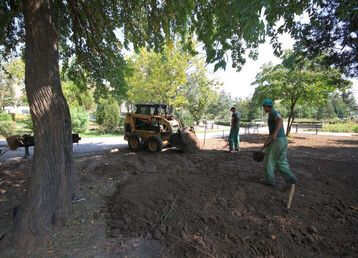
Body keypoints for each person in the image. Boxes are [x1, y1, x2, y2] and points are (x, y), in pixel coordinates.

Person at [262, 98, 297, 187]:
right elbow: (271, 133)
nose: (263, 108)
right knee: (281, 162)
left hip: (277, 140)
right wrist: (265, 144)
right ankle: (291, 179)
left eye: (264, 106)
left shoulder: (273, 112)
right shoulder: (271, 114)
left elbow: (280, 120)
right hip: (282, 140)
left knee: (269, 160)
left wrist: (275, 134)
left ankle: (269, 180)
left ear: (267, 106)